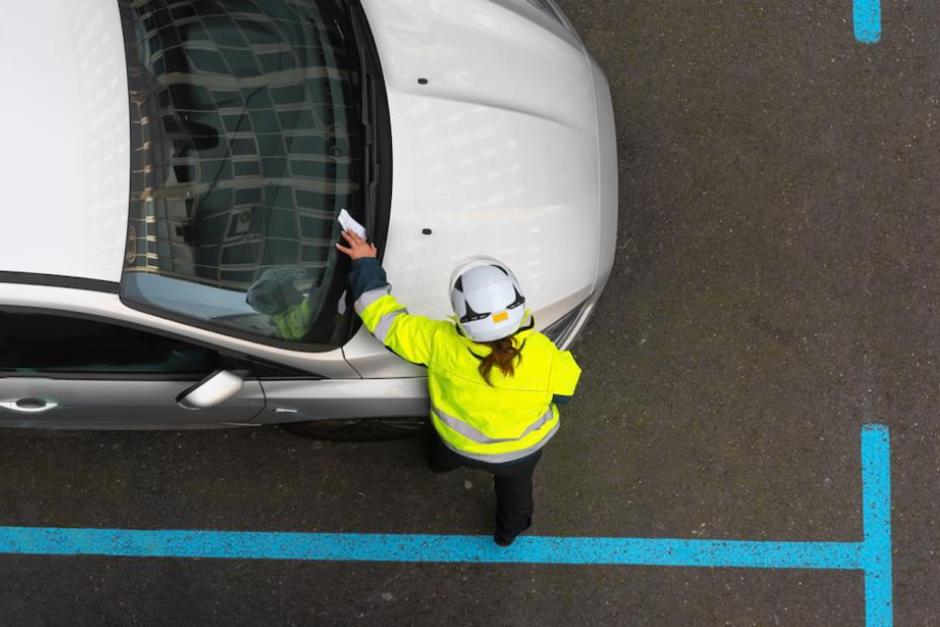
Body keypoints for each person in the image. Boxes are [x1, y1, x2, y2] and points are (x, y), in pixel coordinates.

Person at [336, 230, 582, 546]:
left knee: (442, 455)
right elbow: (565, 394)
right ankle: (508, 534)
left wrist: (366, 264)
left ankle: (439, 466)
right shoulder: (545, 355)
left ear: (462, 313)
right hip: (518, 453)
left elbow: (385, 321)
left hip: (455, 442)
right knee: (516, 495)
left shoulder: (439, 343)